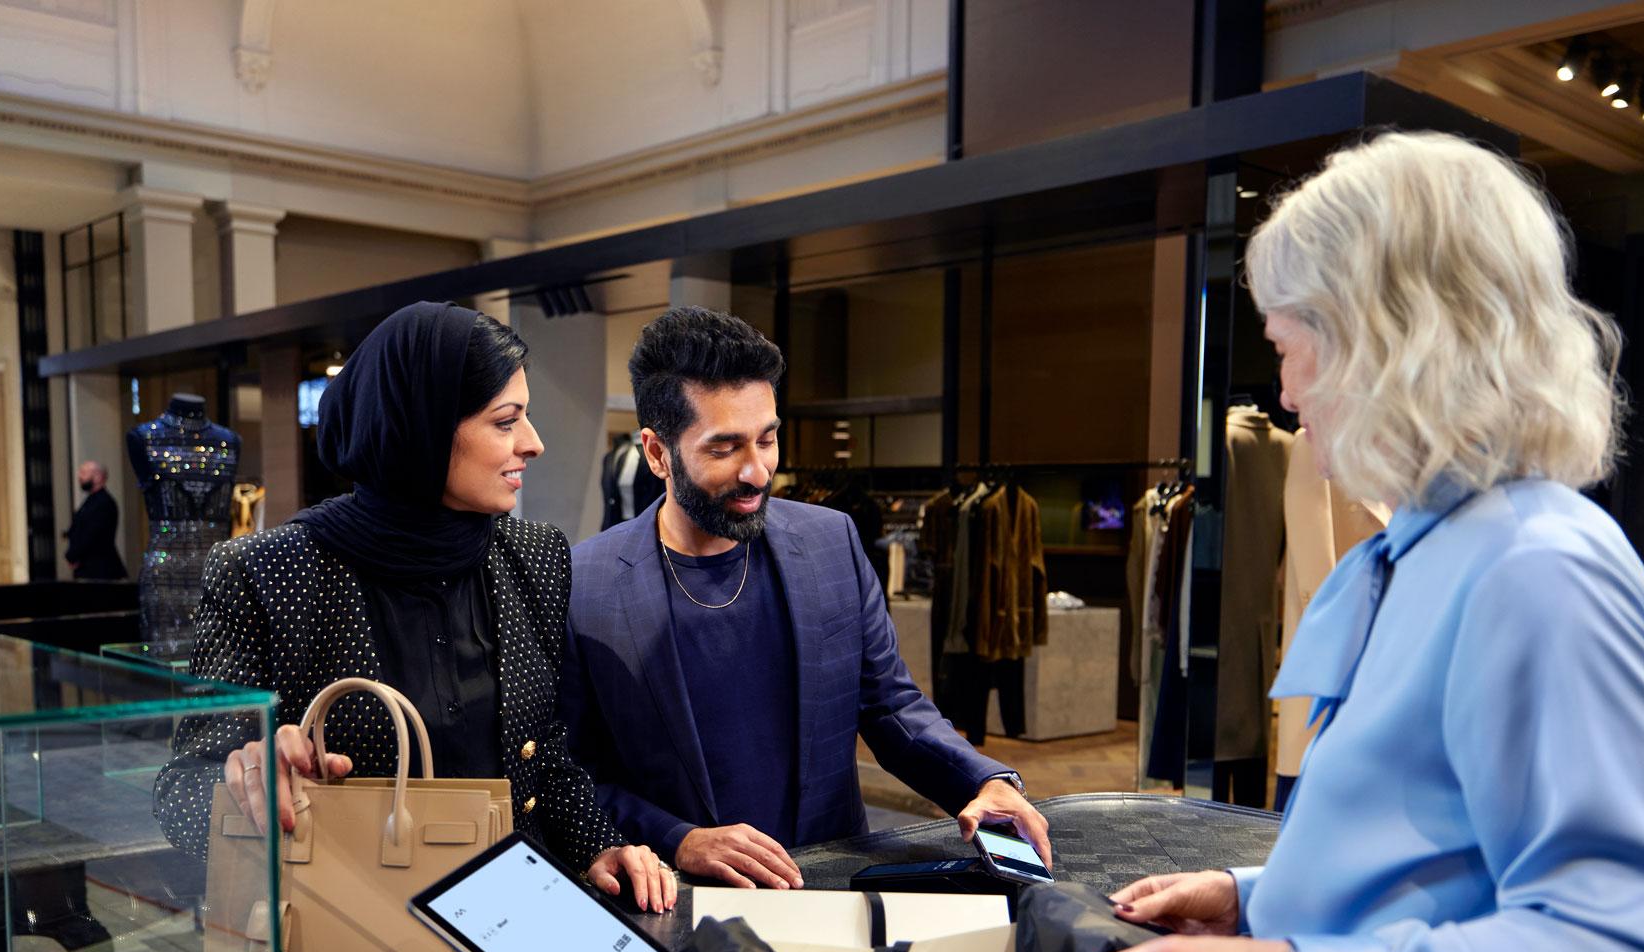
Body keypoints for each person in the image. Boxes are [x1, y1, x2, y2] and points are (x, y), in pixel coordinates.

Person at [1072, 132, 1644, 952]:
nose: (1283, 392)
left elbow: (1641, 939)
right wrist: (1259, 895)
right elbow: (1433, 836)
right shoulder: (1420, 551)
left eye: (1289, 346)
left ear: (1386, 334)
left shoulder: (1538, 570)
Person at [154, 302, 673, 911]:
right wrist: (244, 779)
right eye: (506, 421)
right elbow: (180, 794)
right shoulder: (267, 574)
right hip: (359, 937)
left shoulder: (533, 557)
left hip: (520, 920)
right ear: (420, 427)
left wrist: (597, 845)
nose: (534, 443)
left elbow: (544, 750)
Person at [560, 306, 1049, 890]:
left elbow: (891, 705)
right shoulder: (584, 581)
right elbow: (570, 772)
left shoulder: (830, 542)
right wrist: (677, 838)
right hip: (679, 900)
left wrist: (982, 780)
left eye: (767, 439)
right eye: (725, 449)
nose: (758, 471)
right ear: (658, 453)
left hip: (830, 882)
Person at [63, 459, 127, 580]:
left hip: (100, 570)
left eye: (84, 473)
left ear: (98, 477)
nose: (79, 476)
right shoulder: (92, 501)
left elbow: (91, 534)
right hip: (88, 567)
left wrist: (73, 555)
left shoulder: (104, 503)